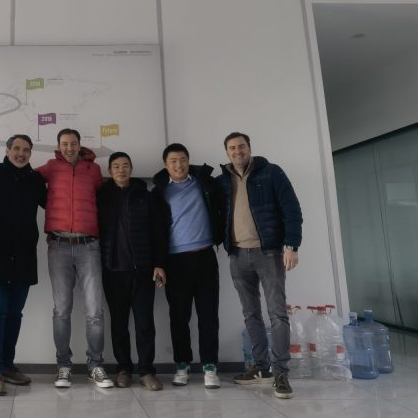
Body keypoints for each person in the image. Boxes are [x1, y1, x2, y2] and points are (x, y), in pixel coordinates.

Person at [218, 132, 302, 399]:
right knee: (250, 314)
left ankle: (280, 372)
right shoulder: (223, 181)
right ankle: (260, 368)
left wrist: (291, 246)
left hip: (269, 253)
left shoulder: (271, 173)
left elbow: (292, 210)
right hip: (237, 255)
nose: (237, 151)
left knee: (277, 313)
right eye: (232, 148)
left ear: (249, 148)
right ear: (227, 153)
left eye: (241, 146)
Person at [36, 128, 112, 388]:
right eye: (65, 144)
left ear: (80, 145)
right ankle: (63, 367)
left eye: (74, 143)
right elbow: (28, 183)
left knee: (94, 311)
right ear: (59, 146)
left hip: (89, 246)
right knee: (61, 311)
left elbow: (103, 200)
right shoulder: (50, 167)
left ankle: (96, 366)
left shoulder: (94, 170)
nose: (69, 148)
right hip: (58, 246)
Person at [151, 143, 225, 389]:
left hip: (205, 257)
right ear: (165, 164)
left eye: (182, 159)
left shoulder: (205, 183)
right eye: (173, 161)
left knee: (208, 316)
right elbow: (156, 232)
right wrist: (158, 264)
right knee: (179, 316)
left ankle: (210, 366)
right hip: (175, 261)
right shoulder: (159, 192)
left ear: (188, 160)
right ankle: (182, 364)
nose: (178, 164)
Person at [0, 134, 47, 396]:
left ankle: (7, 365)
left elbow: (53, 204)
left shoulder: (36, 179)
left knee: (15, 313)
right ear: (7, 150)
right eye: (16, 148)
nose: (21, 153)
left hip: (24, 255)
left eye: (26, 150)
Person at [96, 152, 167, 391]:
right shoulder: (101, 196)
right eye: (116, 166)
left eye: (125, 165)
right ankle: (123, 369)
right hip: (112, 270)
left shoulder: (144, 196)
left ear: (132, 168)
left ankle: (146, 370)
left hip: (142, 270)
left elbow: (157, 231)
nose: (121, 170)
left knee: (144, 322)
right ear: (109, 169)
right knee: (119, 322)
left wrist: (159, 263)